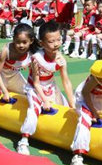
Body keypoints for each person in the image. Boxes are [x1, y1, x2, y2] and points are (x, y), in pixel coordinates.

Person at [17, 21, 75, 155]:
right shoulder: (37, 58)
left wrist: (72, 103)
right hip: (34, 88)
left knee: (65, 107)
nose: (56, 44)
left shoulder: (60, 57)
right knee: (34, 109)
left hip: (50, 85)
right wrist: (45, 100)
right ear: (42, 43)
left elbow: (66, 81)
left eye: (59, 39)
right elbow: (36, 83)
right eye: (51, 41)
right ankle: (24, 140)